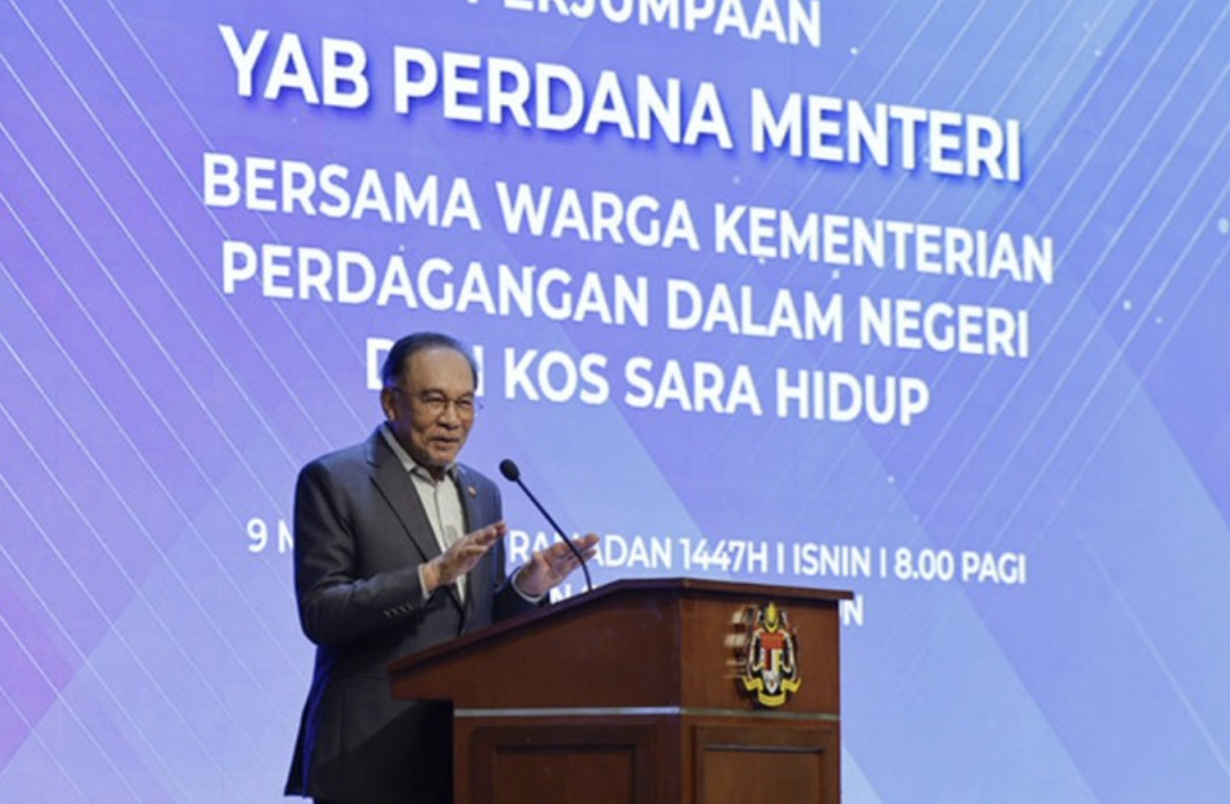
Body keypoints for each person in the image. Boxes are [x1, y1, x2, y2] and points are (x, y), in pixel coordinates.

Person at [284, 332, 599, 804]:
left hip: (463, 754)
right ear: (390, 402)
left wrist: (528, 588)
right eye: (434, 400)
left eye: (465, 403)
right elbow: (321, 612)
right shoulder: (334, 480)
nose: (452, 419)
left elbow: (477, 624)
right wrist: (429, 576)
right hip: (369, 758)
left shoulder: (482, 491)